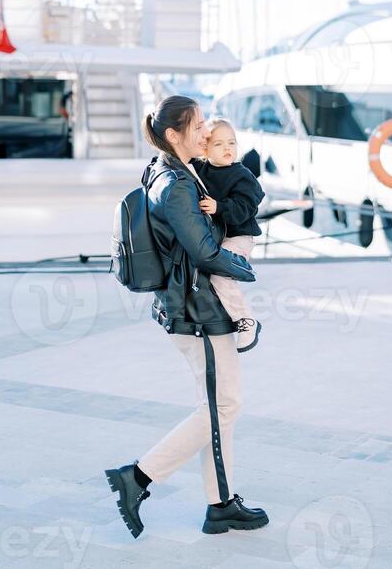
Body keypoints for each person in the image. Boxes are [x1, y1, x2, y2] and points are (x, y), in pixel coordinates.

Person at [104, 95, 269, 539]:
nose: (205, 133)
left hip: (191, 302)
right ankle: (137, 478)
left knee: (217, 405)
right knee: (225, 405)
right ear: (175, 134)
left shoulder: (172, 169)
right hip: (198, 308)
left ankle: (221, 503)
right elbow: (206, 251)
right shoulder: (177, 183)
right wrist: (245, 268)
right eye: (197, 126)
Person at [191, 118, 265, 352]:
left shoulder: (242, 175)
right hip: (215, 237)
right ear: (205, 148)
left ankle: (246, 322)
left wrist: (219, 207)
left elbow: (245, 209)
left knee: (219, 275)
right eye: (219, 144)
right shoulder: (201, 169)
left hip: (238, 237)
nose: (227, 149)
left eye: (231, 143)